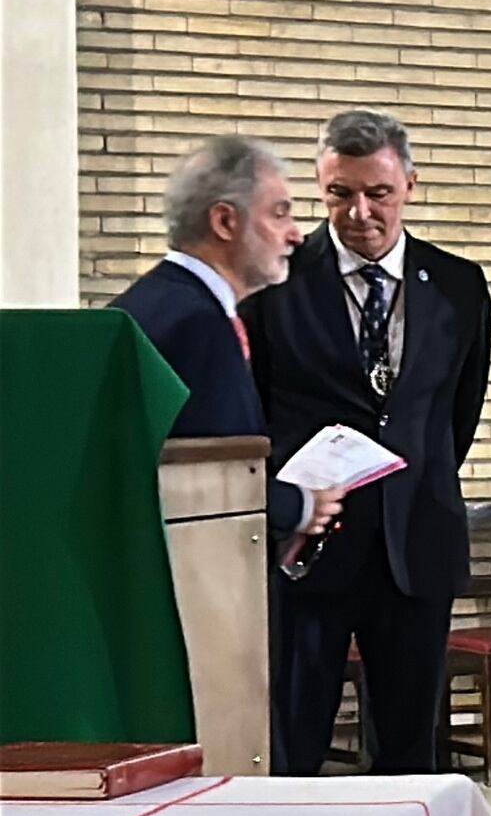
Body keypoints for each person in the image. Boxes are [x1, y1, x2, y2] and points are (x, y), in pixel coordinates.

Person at [243, 109, 491, 776]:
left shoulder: (459, 286)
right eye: (339, 193)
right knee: (293, 745)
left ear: (409, 184)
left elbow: (455, 416)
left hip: (416, 546)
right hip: (309, 548)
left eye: (377, 193)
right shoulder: (274, 281)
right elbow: (253, 412)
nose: (359, 212)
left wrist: (408, 484)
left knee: (410, 752)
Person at [110, 137, 342, 542]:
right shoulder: (197, 323)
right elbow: (211, 474)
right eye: (280, 214)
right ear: (224, 222)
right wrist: (302, 506)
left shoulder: (148, 301)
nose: (297, 236)